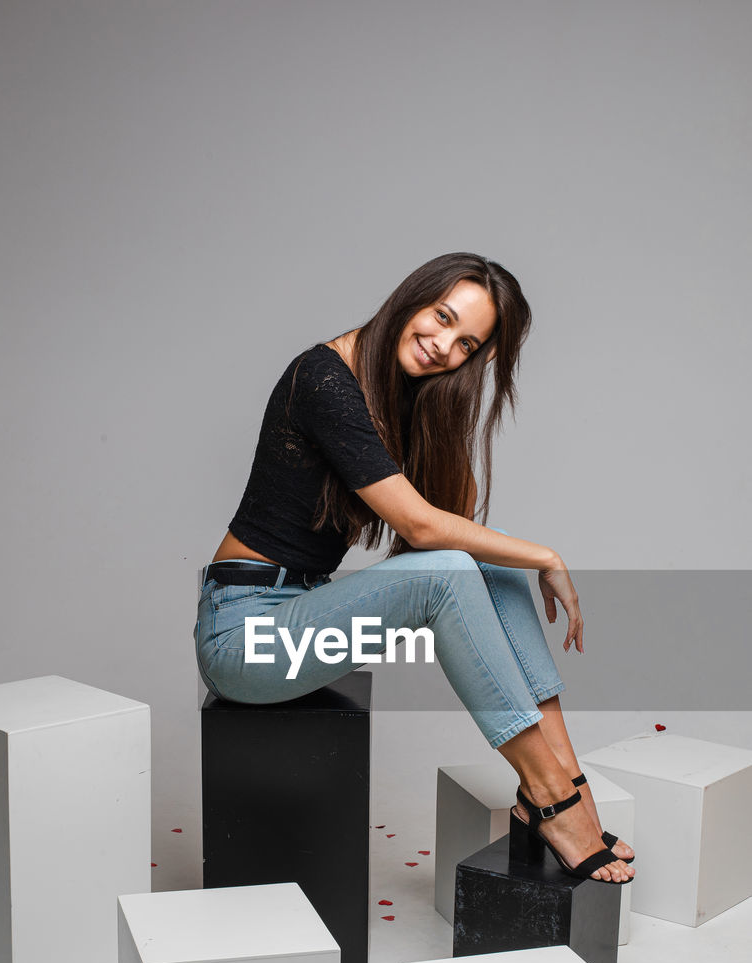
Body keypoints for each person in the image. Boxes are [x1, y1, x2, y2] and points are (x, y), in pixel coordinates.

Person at [195, 252, 634, 884]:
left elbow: (447, 532)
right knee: (457, 567)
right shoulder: (324, 378)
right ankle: (550, 795)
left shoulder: (396, 394)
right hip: (245, 640)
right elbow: (423, 530)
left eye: (466, 344)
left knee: (489, 557)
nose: (442, 346)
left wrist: (515, 552)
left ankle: (568, 785)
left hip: (295, 616)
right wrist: (550, 556)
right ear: (414, 298)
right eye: (441, 316)